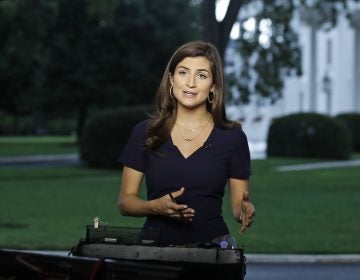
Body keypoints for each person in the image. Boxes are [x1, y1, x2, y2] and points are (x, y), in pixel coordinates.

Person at [118, 40, 255, 246]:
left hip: (212, 251)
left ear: (213, 86)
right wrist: (155, 207)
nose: (191, 83)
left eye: (201, 75)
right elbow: (125, 202)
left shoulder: (233, 138)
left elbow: (238, 206)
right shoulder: (145, 132)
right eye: (183, 73)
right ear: (171, 80)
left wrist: (244, 211)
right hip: (154, 252)